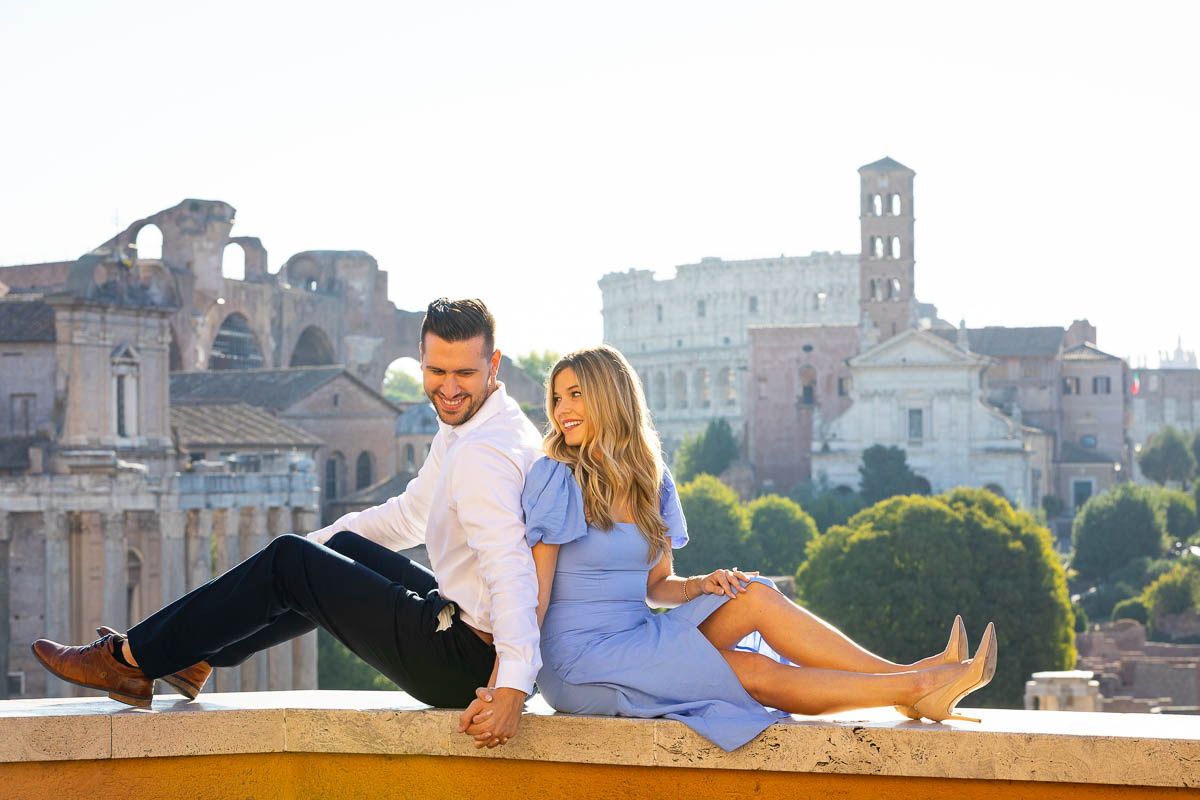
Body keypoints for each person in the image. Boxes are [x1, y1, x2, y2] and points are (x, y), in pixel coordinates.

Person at [33, 298, 543, 749]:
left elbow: (512, 570)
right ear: (423, 359)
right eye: (437, 372)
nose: (448, 389)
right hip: (460, 626)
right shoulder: (481, 426)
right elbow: (410, 515)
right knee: (325, 549)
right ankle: (192, 655)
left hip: (465, 663)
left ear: (492, 364)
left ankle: (127, 659)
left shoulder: (483, 454)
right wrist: (313, 553)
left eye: (464, 375)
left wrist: (512, 688)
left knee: (288, 560)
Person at [460, 345, 997, 752]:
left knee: (755, 595)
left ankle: (910, 677)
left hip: (641, 633)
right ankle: (917, 685)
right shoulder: (556, 476)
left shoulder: (652, 478)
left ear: (612, 396)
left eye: (576, 394)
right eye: (556, 396)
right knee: (752, 673)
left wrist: (702, 586)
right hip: (580, 659)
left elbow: (656, 586)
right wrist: (509, 685)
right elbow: (535, 595)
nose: (561, 409)